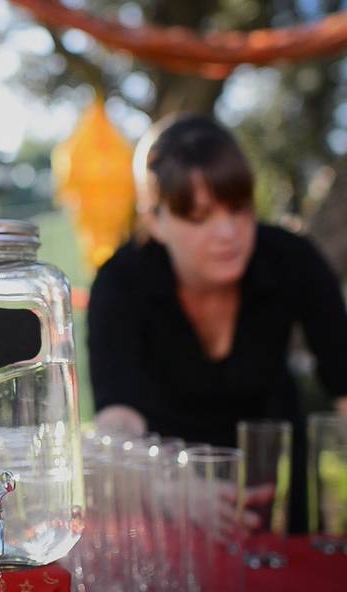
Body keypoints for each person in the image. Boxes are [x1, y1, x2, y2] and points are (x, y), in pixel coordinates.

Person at [87, 114, 347, 531]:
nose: (228, 232)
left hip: (281, 502)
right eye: (199, 215)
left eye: (238, 208)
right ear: (154, 220)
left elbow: (344, 385)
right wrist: (166, 489)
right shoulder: (121, 283)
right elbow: (116, 420)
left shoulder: (291, 259)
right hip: (169, 512)